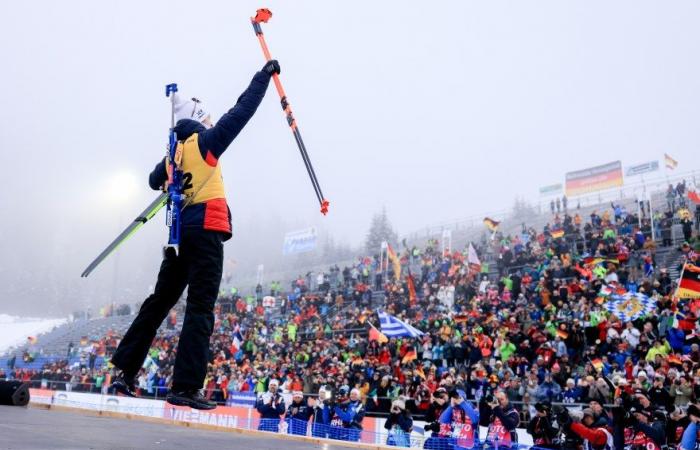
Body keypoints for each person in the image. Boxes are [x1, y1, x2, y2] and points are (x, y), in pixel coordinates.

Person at [110, 59, 281, 410]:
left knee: (159, 302)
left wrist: (169, 159)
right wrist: (262, 78)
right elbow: (242, 111)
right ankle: (186, 386)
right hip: (206, 232)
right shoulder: (205, 143)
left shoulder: (174, 153)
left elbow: (153, 180)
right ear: (199, 120)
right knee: (200, 308)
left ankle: (123, 371)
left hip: (178, 237)